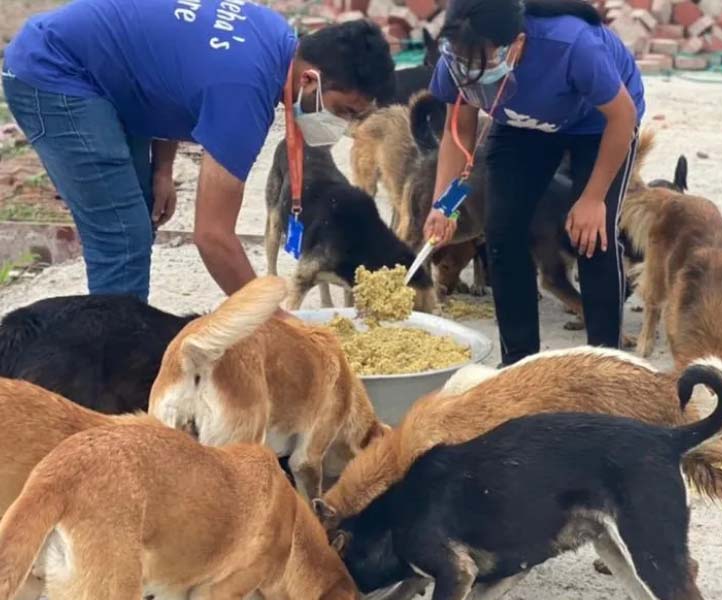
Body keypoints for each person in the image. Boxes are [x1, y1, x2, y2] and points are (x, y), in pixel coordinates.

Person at [2, 0, 394, 300]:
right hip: (55, 70)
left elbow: (172, 80)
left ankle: (119, 333)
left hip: (107, 72)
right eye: (341, 110)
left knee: (136, 213)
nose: (340, 125)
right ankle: (112, 373)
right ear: (311, 80)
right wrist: (273, 323)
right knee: (122, 237)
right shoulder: (243, 94)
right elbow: (212, 236)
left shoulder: (276, 37)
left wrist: (162, 169)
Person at [422, 0, 645, 366]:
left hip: (598, 125)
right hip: (522, 125)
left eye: (485, 65)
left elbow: (622, 118)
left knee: (593, 237)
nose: (473, 74)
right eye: (465, 67)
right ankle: (519, 362)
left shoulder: (572, 45)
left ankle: (607, 363)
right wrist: (443, 206)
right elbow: (457, 130)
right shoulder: (457, 57)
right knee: (502, 231)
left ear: (518, 45)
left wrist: (592, 199)